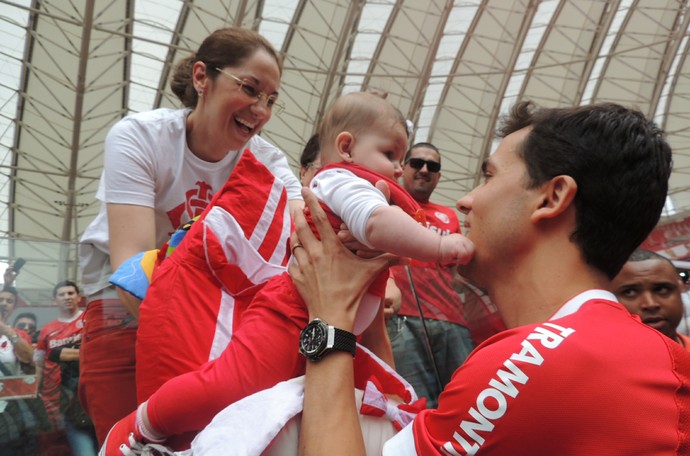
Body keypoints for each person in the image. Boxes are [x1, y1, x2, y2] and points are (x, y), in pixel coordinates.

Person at [290, 101, 690, 455]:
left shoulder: (528, 365)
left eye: (489, 177)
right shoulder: (657, 354)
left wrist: (327, 320)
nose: (466, 200)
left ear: (551, 198)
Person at [101, 91, 473, 454]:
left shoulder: (370, 189)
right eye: (390, 154)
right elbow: (376, 223)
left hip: (330, 327)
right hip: (288, 316)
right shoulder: (344, 181)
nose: (398, 168)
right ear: (346, 148)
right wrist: (440, 247)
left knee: (278, 404)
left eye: (400, 157)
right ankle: (144, 425)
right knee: (227, 387)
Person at [77, 26, 303, 444]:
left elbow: (304, 228)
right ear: (202, 78)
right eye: (250, 89)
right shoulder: (140, 137)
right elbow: (131, 266)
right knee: (128, 443)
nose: (261, 109)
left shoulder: (268, 162)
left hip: (214, 320)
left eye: (271, 99)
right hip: (125, 311)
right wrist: (213, 359)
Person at [387, 142, 482, 408]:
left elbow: (460, 273)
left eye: (433, 166)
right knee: (417, 404)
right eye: (417, 163)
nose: (425, 169)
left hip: (452, 321)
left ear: (439, 175)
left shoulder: (450, 215)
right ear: (402, 168)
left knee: (468, 403)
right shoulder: (386, 207)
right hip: (402, 319)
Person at [34, 280, 98, 455]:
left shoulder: (90, 320)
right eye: (62, 294)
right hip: (60, 399)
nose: (67, 297)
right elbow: (39, 363)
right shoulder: (46, 330)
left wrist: (64, 353)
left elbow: (98, 352)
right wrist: (36, 391)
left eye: (70, 293)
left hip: (93, 394)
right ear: (55, 300)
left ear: (78, 297)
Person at [611, 249, 690, 350]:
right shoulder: (600, 364)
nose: (650, 304)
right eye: (630, 292)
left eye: (661, 289)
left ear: (680, 289)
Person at [0, 285, 44, 455]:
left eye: (9, 301)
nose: (4, 304)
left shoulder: (17, 334)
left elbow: (29, 359)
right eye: (1, 300)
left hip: (15, 409)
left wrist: (5, 330)